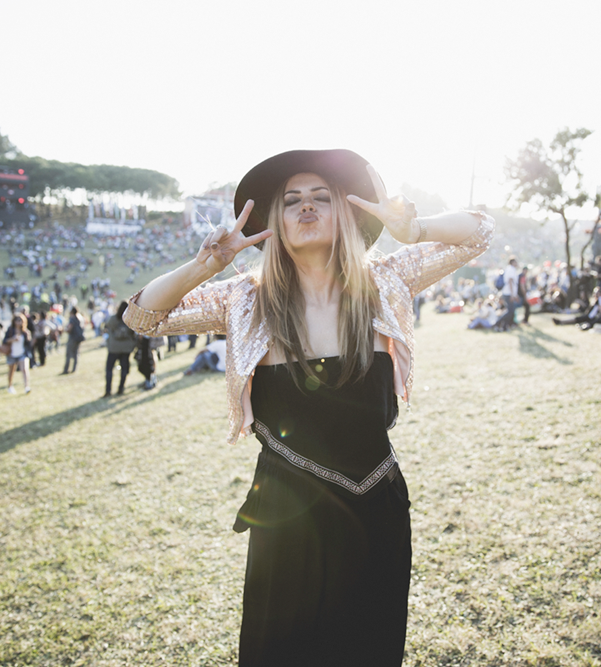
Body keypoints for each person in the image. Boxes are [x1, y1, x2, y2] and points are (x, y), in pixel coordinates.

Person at [122, 149, 493, 666]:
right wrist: (204, 266)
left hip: (376, 510)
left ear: (346, 212)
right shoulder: (245, 299)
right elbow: (142, 317)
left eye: (322, 196)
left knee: (368, 651)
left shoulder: (383, 281)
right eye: (292, 200)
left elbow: (480, 232)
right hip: (286, 519)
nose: (307, 206)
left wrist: (415, 229)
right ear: (275, 221)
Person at [103, 300, 136, 396]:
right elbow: (133, 333)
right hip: (126, 348)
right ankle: (121, 388)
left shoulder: (113, 319)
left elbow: (106, 328)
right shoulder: (130, 320)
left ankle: (108, 390)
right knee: (124, 369)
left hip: (114, 347)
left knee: (109, 369)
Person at [3, 313, 32, 394]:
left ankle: (26, 387)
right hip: (11, 353)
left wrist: (29, 337)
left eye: (21, 320)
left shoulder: (25, 331)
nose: (19, 322)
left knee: (25, 369)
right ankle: (10, 386)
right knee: (11, 371)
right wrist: (12, 339)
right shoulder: (10, 330)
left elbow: (28, 344)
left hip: (22, 353)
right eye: (17, 320)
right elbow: (4, 341)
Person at [62, 307, 86, 374]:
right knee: (76, 353)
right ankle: (74, 369)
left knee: (69, 353)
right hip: (79, 337)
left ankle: (66, 369)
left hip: (73, 338)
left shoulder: (72, 318)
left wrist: (64, 330)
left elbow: (69, 328)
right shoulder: (80, 317)